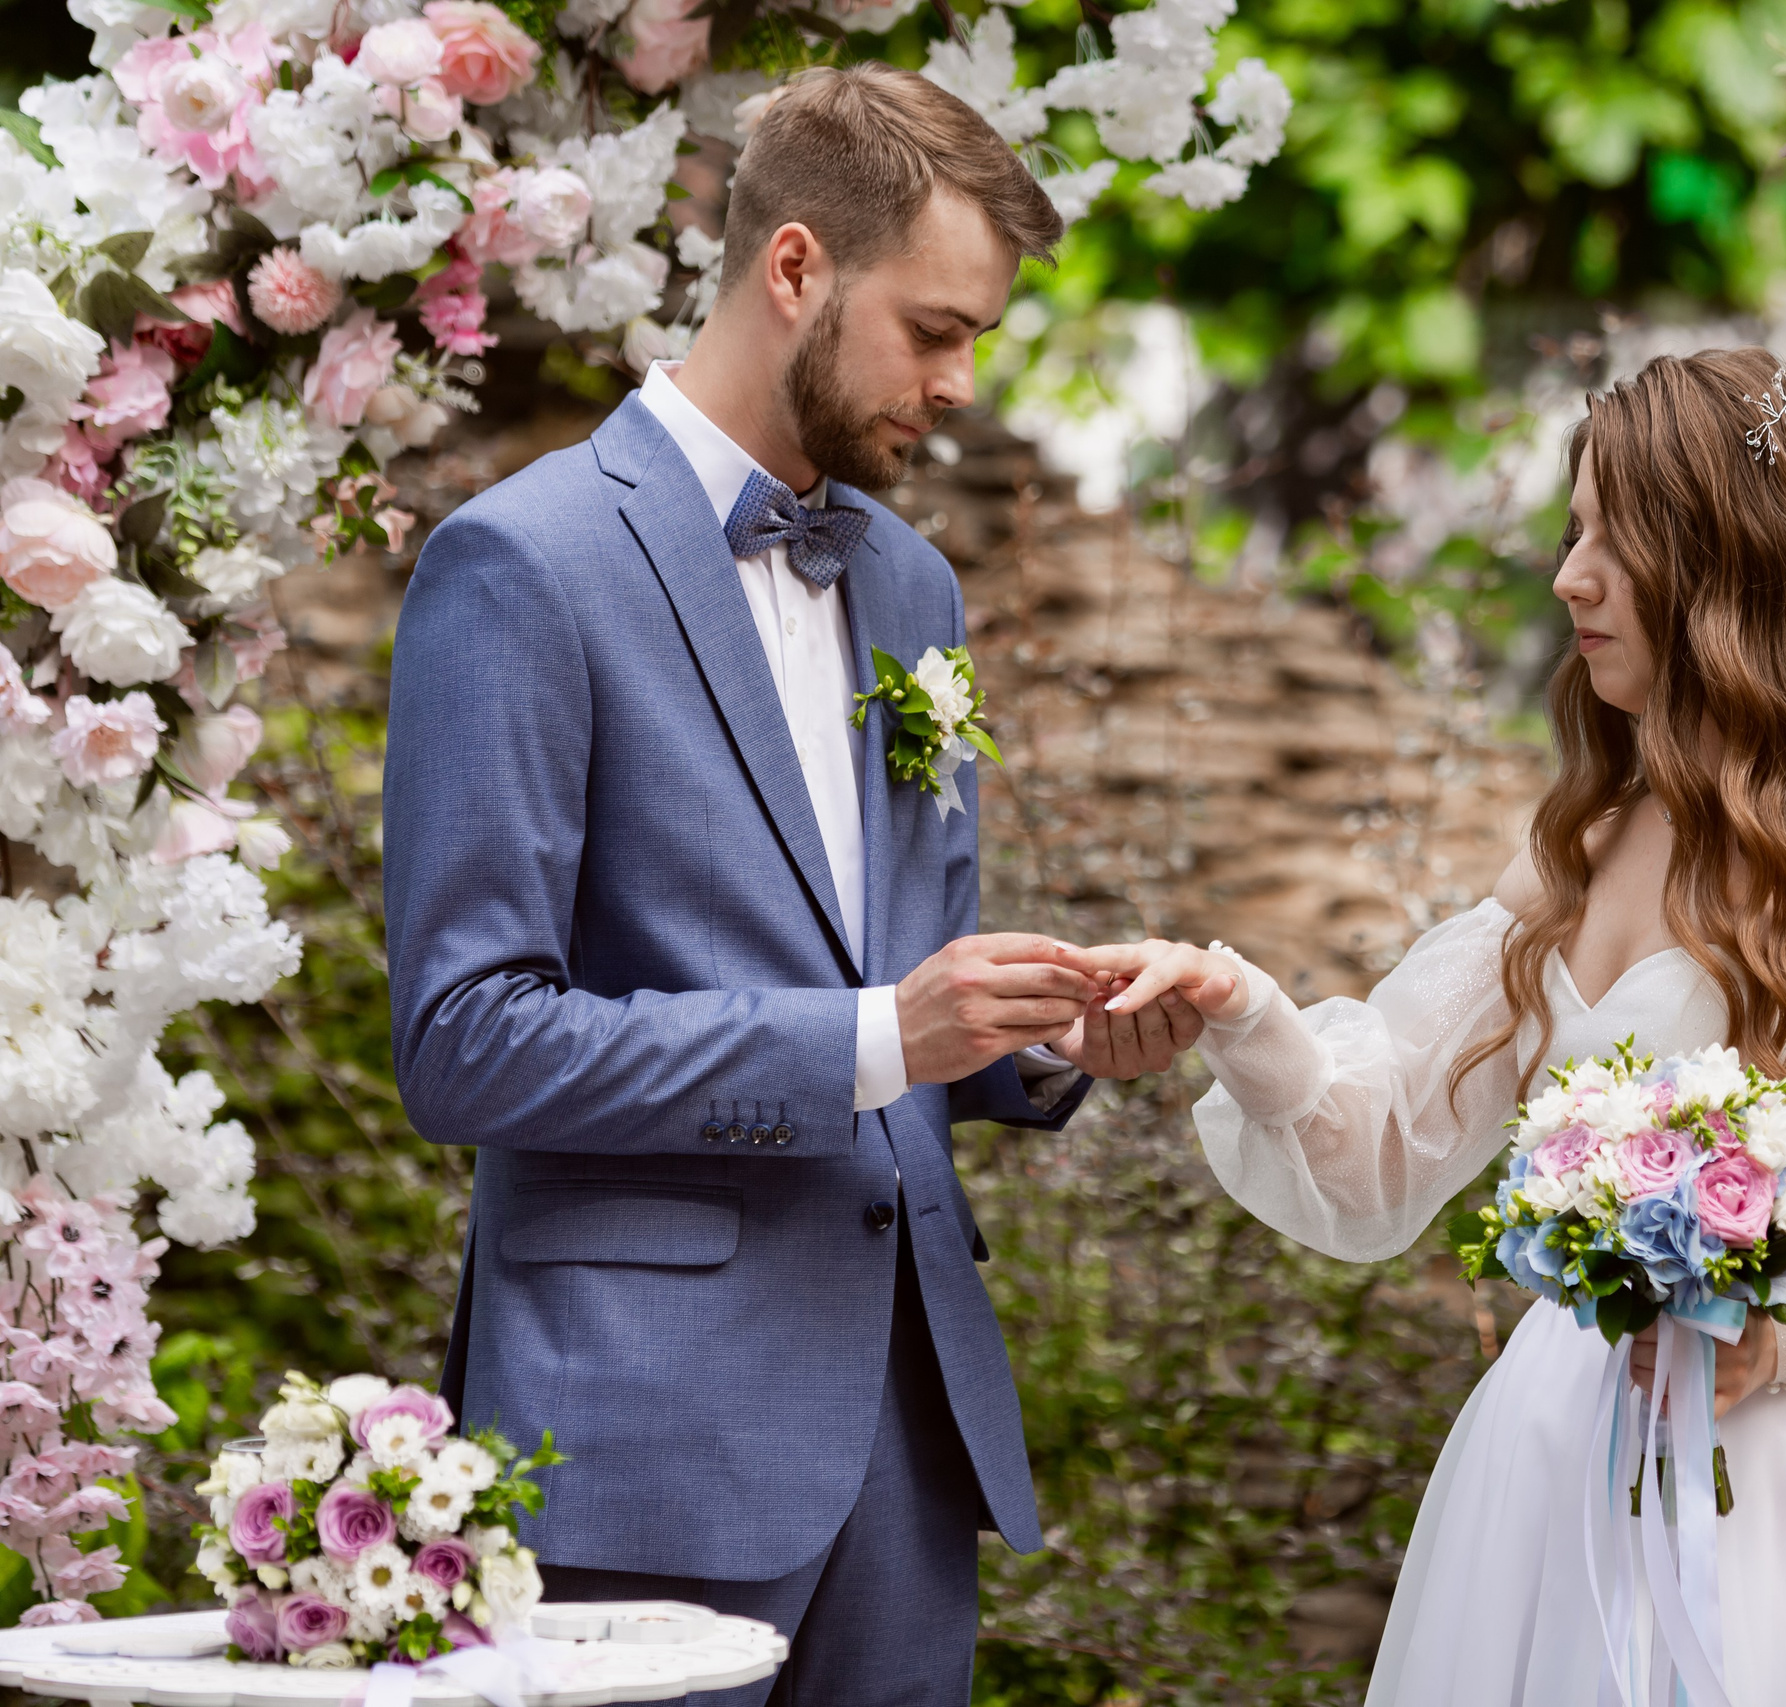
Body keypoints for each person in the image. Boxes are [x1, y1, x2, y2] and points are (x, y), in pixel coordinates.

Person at [1086, 352, 1786, 1706]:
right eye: (1572, 530)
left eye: (1616, 537)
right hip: (1549, 1468)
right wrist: (1241, 1012)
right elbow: (1379, 1155)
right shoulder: (1574, 858)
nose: (1570, 578)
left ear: (1731, 569)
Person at [382, 64, 1195, 1707]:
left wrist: (1034, 1044)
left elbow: (904, 974)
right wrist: (879, 1035)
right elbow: (465, 1040)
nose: (962, 385)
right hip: (638, 1442)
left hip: (908, 1439)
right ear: (799, 268)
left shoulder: (911, 585)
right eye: (939, 329)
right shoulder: (522, 567)